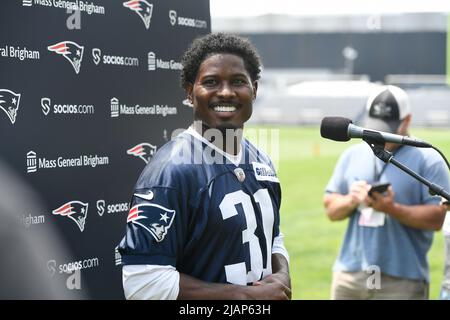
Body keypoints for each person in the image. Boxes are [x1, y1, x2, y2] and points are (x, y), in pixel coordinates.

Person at [116, 33, 291, 300]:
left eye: (238, 81)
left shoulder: (261, 159)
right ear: (190, 92)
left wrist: (282, 275)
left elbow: (273, 238)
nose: (225, 92)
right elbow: (143, 284)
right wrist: (245, 297)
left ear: (254, 89)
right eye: (211, 82)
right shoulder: (171, 171)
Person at [323, 85, 450, 299]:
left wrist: (392, 208)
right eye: (376, 126)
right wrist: (352, 200)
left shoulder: (429, 160)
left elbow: (437, 218)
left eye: (388, 127)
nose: (381, 134)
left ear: (407, 121)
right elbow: (330, 209)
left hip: (402, 279)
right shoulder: (352, 155)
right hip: (350, 274)